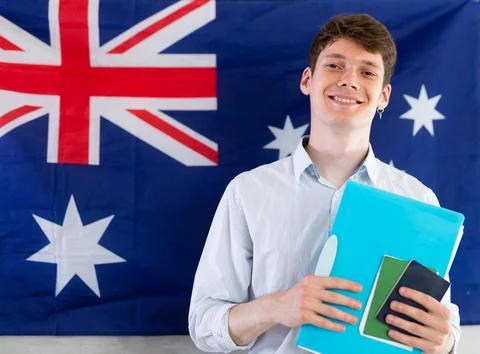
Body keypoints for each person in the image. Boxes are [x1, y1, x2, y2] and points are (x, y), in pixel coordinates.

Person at [188, 14, 460, 354]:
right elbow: (203, 324)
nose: (349, 81)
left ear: (384, 96)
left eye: (367, 72)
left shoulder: (418, 200)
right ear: (307, 80)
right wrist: (277, 307)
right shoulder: (248, 192)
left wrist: (445, 341)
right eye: (334, 65)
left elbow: (442, 324)